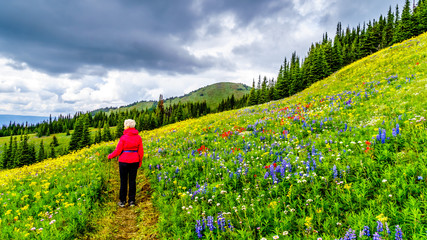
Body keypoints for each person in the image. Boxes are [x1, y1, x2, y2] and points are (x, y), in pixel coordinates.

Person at [108, 119, 144, 207]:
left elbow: (118, 151)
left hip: (123, 161)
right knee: (132, 181)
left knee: (123, 181)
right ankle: (132, 201)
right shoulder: (138, 137)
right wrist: (140, 161)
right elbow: (141, 152)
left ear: (127, 126)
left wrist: (110, 156)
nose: (124, 127)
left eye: (124, 125)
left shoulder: (123, 138)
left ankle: (122, 201)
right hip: (134, 161)